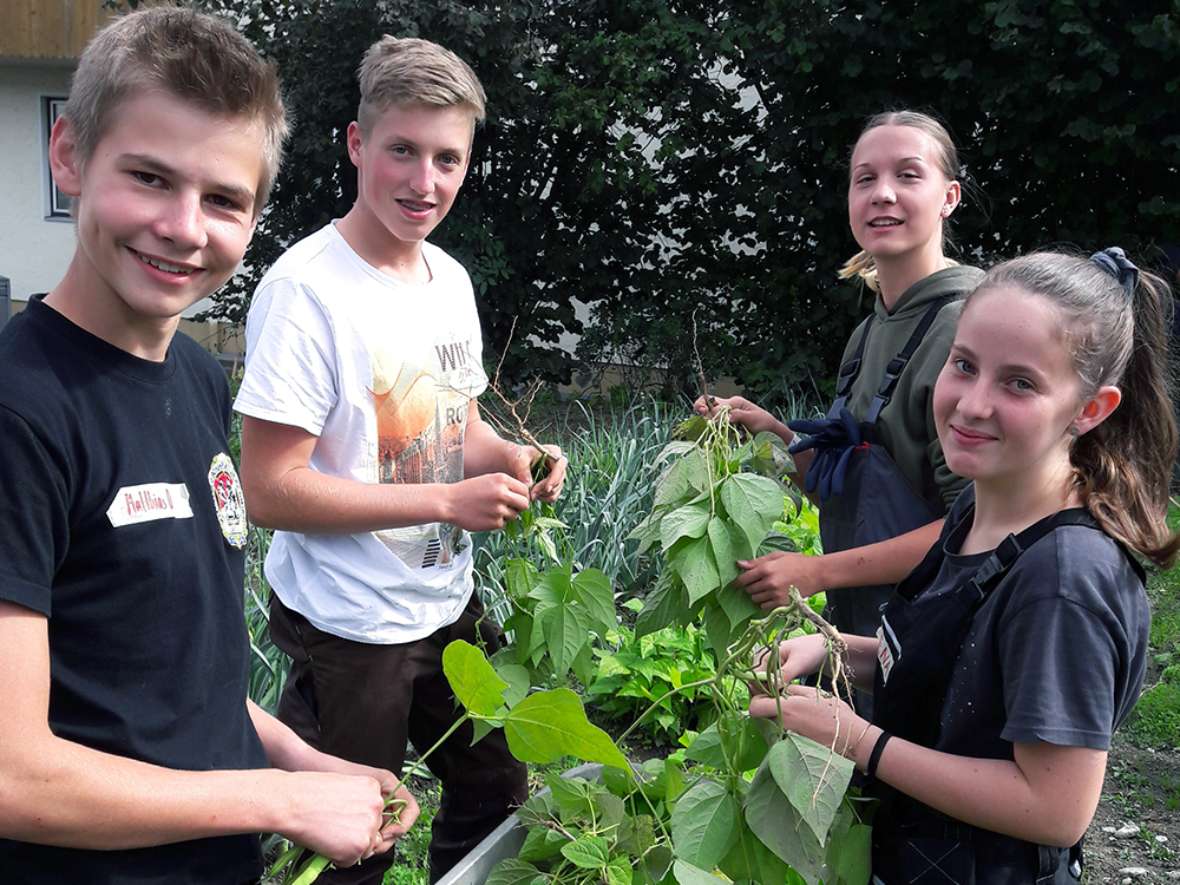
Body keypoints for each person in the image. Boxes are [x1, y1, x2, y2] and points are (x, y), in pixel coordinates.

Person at [0, 8, 418, 885]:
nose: (186, 227)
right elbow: (12, 774)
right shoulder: (21, 411)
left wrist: (301, 759)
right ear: (69, 155)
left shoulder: (195, 377)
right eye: (150, 177)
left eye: (224, 199)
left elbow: (167, 679)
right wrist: (275, 800)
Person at [234, 36, 567, 885]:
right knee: (355, 836)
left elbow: (457, 428)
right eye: (403, 151)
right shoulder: (307, 292)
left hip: (442, 600)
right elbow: (271, 491)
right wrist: (444, 505)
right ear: (356, 144)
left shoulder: (447, 279)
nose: (426, 182)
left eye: (447, 158)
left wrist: (517, 455)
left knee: (496, 783)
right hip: (350, 626)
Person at [751, 249, 1175, 882]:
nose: (973, 404)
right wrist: (834, 646)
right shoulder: (982, 507)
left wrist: (858, 740)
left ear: (1091, 409)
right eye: (964, 365)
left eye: (1020, 383)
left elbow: (1055, 807)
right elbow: (961, 675)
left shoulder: (1063, 579)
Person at [696, 112, 983, 697]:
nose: (883, 193)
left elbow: (976, 528)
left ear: (949, 197)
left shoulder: (968, 327)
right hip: (872, 628)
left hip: (944, 632)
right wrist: (772, 432)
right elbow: (852, 483)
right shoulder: (870, 330)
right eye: (864, 178)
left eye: (908, 175)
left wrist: (815, 573)